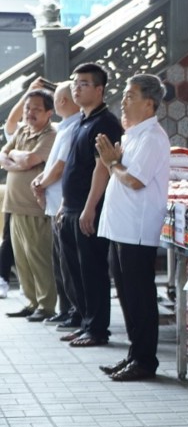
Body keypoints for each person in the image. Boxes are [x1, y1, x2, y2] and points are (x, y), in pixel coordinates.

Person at [94, 74, 170, 381]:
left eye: (130, 96)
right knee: (126, 295)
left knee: (140, 296)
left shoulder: (152, 138)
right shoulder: (133, 135)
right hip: (121, 228)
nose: (123, 102)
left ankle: (145, 361)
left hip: (137, 230)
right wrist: (113, 161)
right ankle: (134, 355)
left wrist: (112, 163)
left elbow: (135, 180)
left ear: (149, 103)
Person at [57, 63, 124, 347]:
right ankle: (85, 322)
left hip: (89, 210)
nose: (76, 88)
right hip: (71, 208)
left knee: (92, 271)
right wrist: (64, 204)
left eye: (83, 83)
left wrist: (89, 207)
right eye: (75, 83)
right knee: (74, 271)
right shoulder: (81, 120)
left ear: (99, 89)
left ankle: (97, 329)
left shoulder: (105, 123)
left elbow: (102, 168)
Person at [1, 88, 57, 321]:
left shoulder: (50, 134)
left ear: (49, 113)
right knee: (22, 261)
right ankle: (31, 302)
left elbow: (32, 159)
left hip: (35, 208)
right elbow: (2, 156)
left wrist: (14, 156)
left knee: (38, 259)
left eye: (36, 109)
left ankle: (46, 306)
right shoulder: (22, 130)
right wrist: (17, 159)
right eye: (27, 108)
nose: (29, 113)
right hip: (14, 206)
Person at [31, 80, 82, 325]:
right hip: (54, 204)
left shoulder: (74, 128)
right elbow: (53, 163)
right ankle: (65, 309)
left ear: (62, 101)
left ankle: (74, 312)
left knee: (69, 264)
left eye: (57, 99)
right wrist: (41, 179)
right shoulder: (64, 126)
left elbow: (61, 167)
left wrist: (42, 183)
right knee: (59, 262)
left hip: (64, 203)